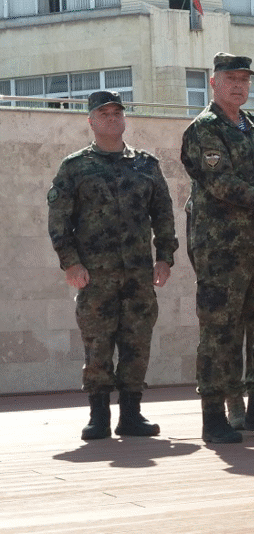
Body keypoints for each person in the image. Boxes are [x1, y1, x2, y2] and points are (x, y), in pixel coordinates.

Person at [180, 52, 254, 443]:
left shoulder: (251, 125)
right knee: (221, 331)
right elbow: (222, 185)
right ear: (213, 82)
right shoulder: (204, 129)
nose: (239, 86)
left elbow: (249, 180)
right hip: (222, 251)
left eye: (245, 80)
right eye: (231, 79)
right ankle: (214, 415)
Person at [47, 90, 179, 440]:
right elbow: (59, 220)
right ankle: (99, 416)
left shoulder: (146, 164)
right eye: (103, 114)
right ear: (91, 120)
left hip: (138, 274)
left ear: (124, 118)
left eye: (117, 112)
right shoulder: (75, 167)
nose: (111, 118)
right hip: (95, 275)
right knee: (98, 345)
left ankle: (131, 415)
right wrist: (70, 264)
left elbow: (163, 214)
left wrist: (165, 257)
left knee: (137, 343)